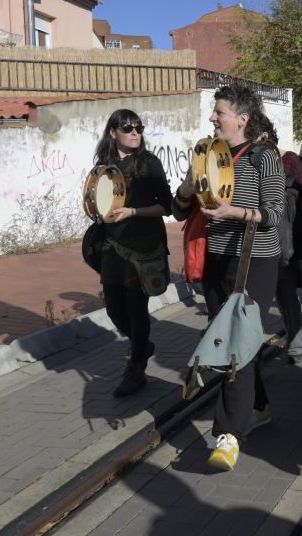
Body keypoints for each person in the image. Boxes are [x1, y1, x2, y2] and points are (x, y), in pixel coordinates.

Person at [171, 85, 285, 471]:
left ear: (242, 118)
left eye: (219, 111)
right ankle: (260, 407)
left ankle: (228, 435)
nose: (212, 118)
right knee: (242, 340)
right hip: (218, 259)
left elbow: (273, 212)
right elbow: (180, 208)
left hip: (255, 262)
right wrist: (188, 187)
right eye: (214, 111)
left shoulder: (264, 156)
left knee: (235, 343)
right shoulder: (209, 154)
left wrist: (233, 212)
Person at [92, 109, 173, 398]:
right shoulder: (105, 164)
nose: (135, 132)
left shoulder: (149, 162)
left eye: (139, 127)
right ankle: (143, 344)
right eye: (128, 128)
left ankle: (136, 368)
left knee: (137, 309)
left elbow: (167, 206)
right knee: (114, 307)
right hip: (112, 246)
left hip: (143, 246)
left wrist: (133, 211)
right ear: (113, 132)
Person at [276, 145, 302, 365]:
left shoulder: (289, 159)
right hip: (257, 241)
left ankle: (296, 343)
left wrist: (292, 193)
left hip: (286, 239)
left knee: (287, 293)